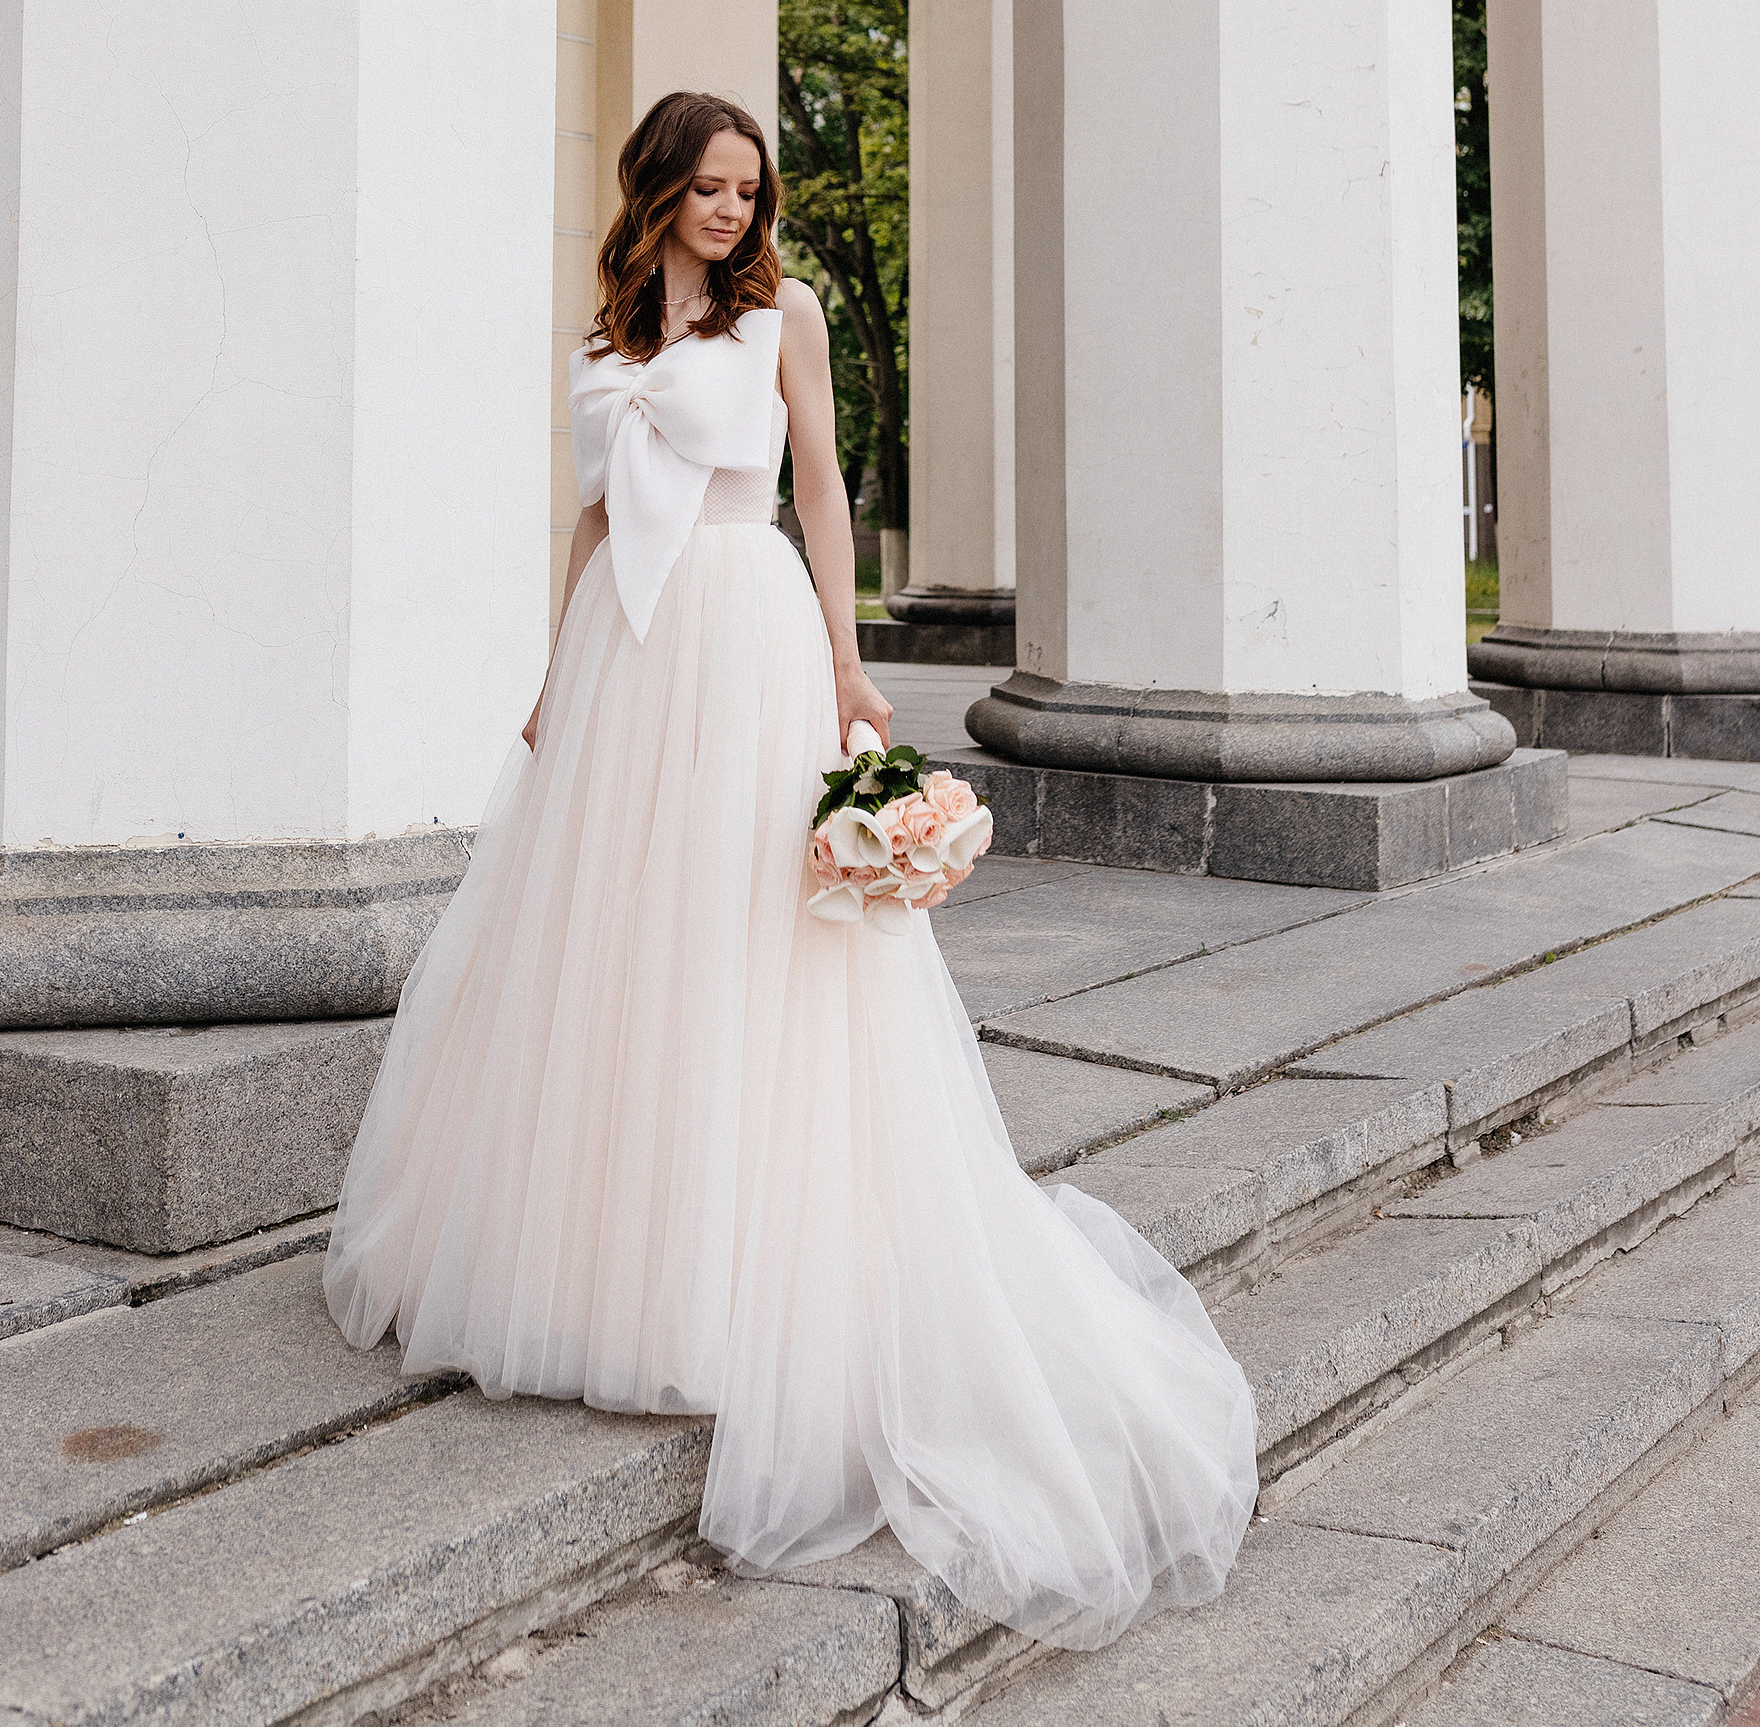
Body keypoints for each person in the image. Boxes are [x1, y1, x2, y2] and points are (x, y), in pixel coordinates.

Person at [324, 90, 1256, 1650]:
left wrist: (845, 658)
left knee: (747, 935)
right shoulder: (613, 331)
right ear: (657, 189)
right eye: (707, 186)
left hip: (746, 637)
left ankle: (731, 1278)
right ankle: (598, 1268)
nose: (731, 211)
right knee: (609, 941)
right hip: (626, 654)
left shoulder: (788, 317)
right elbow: (597, 517)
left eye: (749, 191)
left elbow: (818, 487)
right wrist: (555, 677)